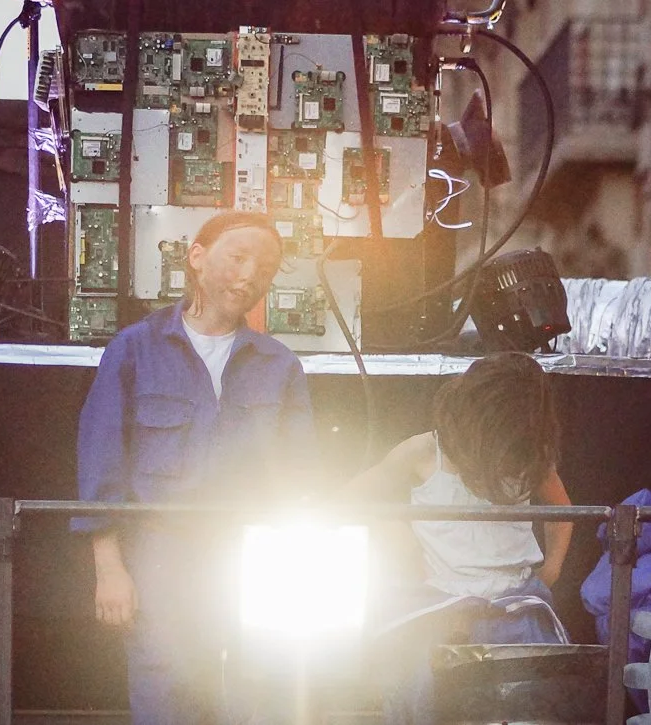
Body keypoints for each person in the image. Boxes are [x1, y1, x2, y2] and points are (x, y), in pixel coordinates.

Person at [75, 211, 316, 725]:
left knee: (258, 693)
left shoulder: (279, 365)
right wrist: (109, 568)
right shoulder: (135, 350)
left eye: (266, 268)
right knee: (165, 691)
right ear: (198, 258)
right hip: (163, 554)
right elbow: (101, 463)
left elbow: (300, 475)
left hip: (254, 558)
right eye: (238, 257)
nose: (251, 275)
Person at [344, 352, 574, 725]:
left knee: (532, 705)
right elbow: (356, 497)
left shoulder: (530, 455)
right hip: (440, 606)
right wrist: (401, 539)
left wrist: (551, 571)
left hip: (515, 606)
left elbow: (563, 514)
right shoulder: (423, 451)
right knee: (424, 699)